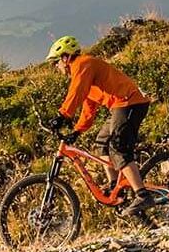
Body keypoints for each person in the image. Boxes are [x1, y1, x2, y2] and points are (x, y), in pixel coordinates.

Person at [45, 35, 161, 216]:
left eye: (55, 63)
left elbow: (76, 92)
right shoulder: (83, 73)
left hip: (129, 102)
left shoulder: (83, 64)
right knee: (101, 143)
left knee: (118, 148)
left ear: (65, 58)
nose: (56, 68)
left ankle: (142, 194)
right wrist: (77, 131)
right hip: (119, 106)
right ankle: (116, 187)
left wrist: (62, 115)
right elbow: (88, 107)